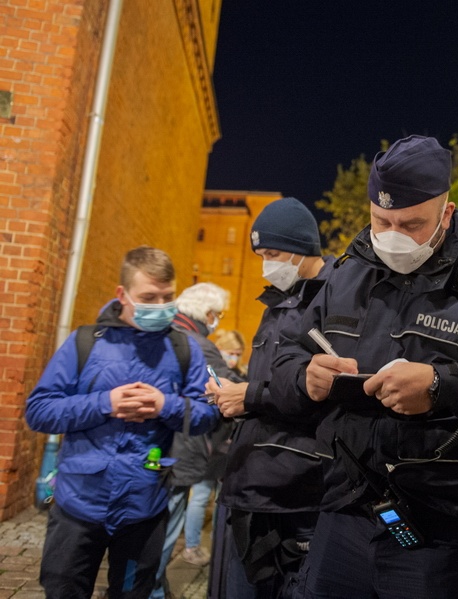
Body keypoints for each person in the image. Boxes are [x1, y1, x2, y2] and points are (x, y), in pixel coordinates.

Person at [270, 134, 458, 599]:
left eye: (411, 224)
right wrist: (304, 379)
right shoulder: (343, 276)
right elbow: (285, 355)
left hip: (440, 535)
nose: (393, 235)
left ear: (446, 214)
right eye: (381, 220)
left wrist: (442, 385)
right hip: (340, 515)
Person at [25, 246, 219, 599]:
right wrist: (105, 403)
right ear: (122, 295)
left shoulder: (183, 349)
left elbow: (208, 414)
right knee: (64, 590)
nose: (160, 306)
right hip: (77, 505)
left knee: (132, 592)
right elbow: (39, 410)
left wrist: (166, 405)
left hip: (144, 508)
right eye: (149, 297)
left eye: (168, 297)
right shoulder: (85, 341)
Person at [206, 197, 333, 598]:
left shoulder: (335, 298)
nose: (266, 264)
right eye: (260, 255)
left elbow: (324, 391)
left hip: (299, 491)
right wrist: (234, 397)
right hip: (254, 488)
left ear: (302, 248)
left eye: (273, 254)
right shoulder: (277, 302)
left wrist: (252, 396)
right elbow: (269, 384)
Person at [151, 282, 237, 599]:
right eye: (218, 315)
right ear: (209, 313)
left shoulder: (161, 334)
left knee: (149, 524)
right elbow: (228, 389)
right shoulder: (199, 344)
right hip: (181, 449)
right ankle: (153, 589)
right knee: (165, 526)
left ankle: (146, 585)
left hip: (154, 447)